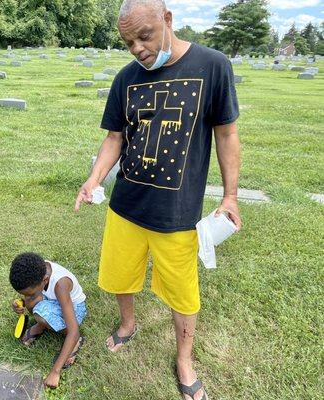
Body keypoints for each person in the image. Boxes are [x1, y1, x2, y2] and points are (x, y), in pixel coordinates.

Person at [75, 1, 242, 399]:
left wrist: (231, 195)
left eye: (144, 36)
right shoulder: (126, 79)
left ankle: (184, 359)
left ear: (168, 20)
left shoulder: (212, 65)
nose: (137, 48)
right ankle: (128, 324)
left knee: (183, 292)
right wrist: (94, 178)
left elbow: (226, 134)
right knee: (120, 274)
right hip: (126, 205)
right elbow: (115, 137)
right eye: (128, 41)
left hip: (177, 213)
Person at [9, 252, 87, 389]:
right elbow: (30, 294)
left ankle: (75, 342)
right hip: (53, 299)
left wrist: (55, 372)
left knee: (45, 316)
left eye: (29, 294)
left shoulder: (61, 284)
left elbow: (74, 331)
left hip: (73, 307)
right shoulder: (36, 271)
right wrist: (21, 302)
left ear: (45, 280)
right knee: (34, 304)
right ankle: (41, 325)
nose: (25, 297)